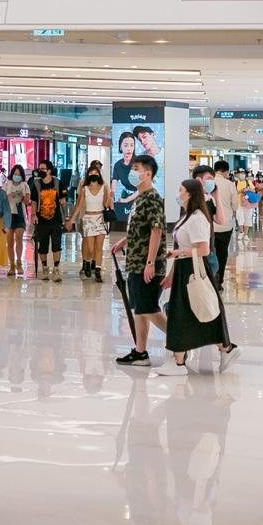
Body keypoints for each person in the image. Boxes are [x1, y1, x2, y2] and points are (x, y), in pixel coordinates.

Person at [159, 179, 239, 376]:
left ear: (189, 194)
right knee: (185, 314)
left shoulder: (197, 218)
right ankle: (223, 348)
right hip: (184, 269)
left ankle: (180, 362)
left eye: (181, 190)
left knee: (185, 312)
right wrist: (172, 273)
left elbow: (203, 249)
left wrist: (178, 253)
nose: (178, 194)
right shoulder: (187, 216)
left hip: (193, 271)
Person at [115, 154, 168, 366]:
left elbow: (156, 230)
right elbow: (141, 228)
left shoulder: (152, 198)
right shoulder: (140, 197)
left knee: (149, 308)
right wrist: (125, 241)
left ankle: (179, 339)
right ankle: (140, 351)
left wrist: (150, 263)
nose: (132, 172)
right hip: (135, 262)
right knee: (140, 309)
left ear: (148, 173)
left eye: (136, 168)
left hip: (146, 264)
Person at [76, 162, 110, 281]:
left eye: (97, 172)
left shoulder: (104, 186)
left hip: (100, 218)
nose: (94, 174)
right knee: (89, 247)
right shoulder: (83, 186)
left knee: (99, 247)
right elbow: (79, 203)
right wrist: (72, 219)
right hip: (87, 218)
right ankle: (87, 262)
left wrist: (109, 197)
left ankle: (98, 270)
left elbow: (106, 204)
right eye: (92, 172)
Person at [30, 162, 63, 281]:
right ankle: (44, 267)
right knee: (42, 246)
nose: (40, 171)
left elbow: (63, 201)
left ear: (49, 170)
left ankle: (56, 268)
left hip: (56, 219)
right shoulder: (36, 184)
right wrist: (33, 214)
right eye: (39, 168)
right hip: (41, 220)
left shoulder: (57, 183)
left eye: (43, 169)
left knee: (56, 245)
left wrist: (66, 218)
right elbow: (34, 201)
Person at [205, 160, 238, 276]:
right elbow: (235, 206)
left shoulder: (207, 183)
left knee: (209, 252)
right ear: (226, 171)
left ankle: (210, 278)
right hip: (226, 225)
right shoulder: (230, 185)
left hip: (210, 225)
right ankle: (219, 279)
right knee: (222, 253)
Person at [4, 165, 30, 278]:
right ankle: (12, 265)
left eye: (19, 174)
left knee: (19, 236)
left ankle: (19, 261)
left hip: (20, 214)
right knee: (9, 241)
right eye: (15, 174)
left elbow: (27, 201)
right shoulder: (7, 185)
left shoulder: (25, 185)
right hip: (9, 215)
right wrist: (8, 195)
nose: (17, 176)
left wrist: (22, 196)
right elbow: (1, 199)